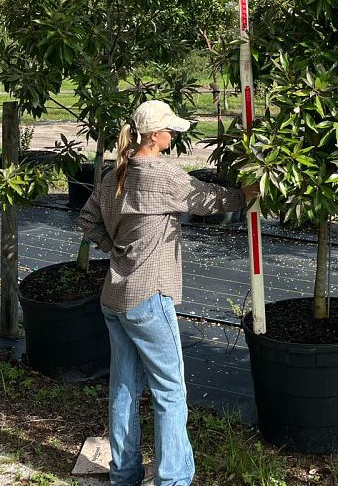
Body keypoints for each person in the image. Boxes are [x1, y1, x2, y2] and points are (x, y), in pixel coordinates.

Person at [79, 99, 257, 486]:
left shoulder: (116, 173)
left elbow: (88, 218)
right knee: (170, 390)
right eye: (169, 130)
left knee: (124, 387)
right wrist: (249, 192)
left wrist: (115, 248)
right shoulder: (160, 174)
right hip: (149, 297)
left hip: (115, 296)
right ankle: (173, 479)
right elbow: (209, 199)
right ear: (155, 136)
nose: (173, 135)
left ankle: (124, 474)